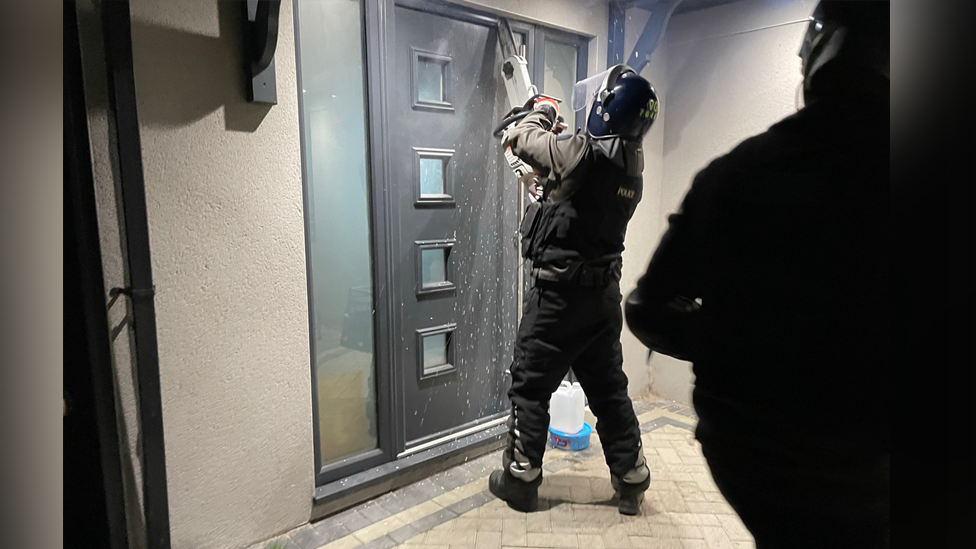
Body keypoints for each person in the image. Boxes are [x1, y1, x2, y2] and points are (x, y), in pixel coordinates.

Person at [624, 1, 889, 546]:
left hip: (756, 453)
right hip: (871, 466)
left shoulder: (739, 175)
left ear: (817, 55)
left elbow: (649, 308)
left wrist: (740, 342)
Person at [487, 65, 660, 516]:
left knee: (530, 387)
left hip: (558, 302)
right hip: (601, 304)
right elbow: (577, 200)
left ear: (607, 110)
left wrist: (539, 113)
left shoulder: (581, 154)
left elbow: (522, 138)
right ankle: (632, 476)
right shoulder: (632, 170)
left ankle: (521, 480)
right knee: (609, 392)